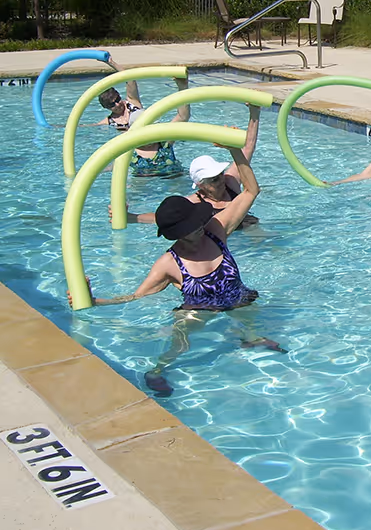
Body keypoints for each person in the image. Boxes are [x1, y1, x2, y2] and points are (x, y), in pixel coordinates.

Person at [71, 145, 285, 397]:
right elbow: (136, 296)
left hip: (238, 297)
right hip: (198, 309)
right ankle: (157, 370)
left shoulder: (216, 230)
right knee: (178, 345)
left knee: (248, 317)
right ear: (178, 233)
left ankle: (251, 338)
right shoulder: (169, 263)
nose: (200, 227)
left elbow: (251, 191)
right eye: (193, 226)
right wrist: (93, 301)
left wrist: (234, 150)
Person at [124, 104, 261, 229]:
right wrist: (130, 217)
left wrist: (254, 113)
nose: (220, 181)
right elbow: (159, 218)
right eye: (213, 179)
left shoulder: (230, 183)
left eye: (220, 175)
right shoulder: (193, 203)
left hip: (252, 231)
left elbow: (248, 148)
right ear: (200, 185)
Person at [97, 68, 190, 178]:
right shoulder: (128, 152)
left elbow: (183, 116)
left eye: (152, 128)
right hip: (144, 188)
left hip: (174, 178)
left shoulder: (164, 141)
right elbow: (111, 167)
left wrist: (182, 86)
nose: (117, 105)